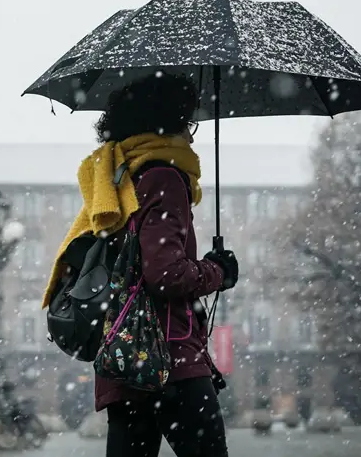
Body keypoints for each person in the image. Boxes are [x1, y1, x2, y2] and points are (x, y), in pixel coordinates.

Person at [43, 73, 240, 457]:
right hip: (168, 358)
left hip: (121, 359)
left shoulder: (117, 177)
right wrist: (217, 271)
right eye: (189, 120)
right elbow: (165, 275)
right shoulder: (164, 176)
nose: (192, 132)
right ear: (172, 121)